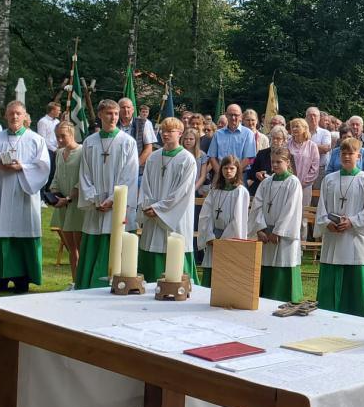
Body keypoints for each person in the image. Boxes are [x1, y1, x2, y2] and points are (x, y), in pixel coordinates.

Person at [0, 100, 50, 293]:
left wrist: (21, 167)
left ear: (25, 116)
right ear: (5, 116)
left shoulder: (35, 140)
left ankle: (23, 279)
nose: (14, 117)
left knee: (22, 232)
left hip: (22, 194)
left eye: (18, 113)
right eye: (11, 113)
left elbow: (44, 168)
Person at [75, 100, 140, 289]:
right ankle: (88, 284)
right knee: (94, 239)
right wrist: (94, 199)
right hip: (95, 206)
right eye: (109, 113)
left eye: (116, 114)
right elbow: (84, 173)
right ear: (100, 115)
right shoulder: (89, 142)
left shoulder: (127, 142)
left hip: (116, 207)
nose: (113, 118)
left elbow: (130, 175)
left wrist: (113, 200)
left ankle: (116, 282)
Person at [315, 137, 364, 316]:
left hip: (354, 240)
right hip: (333, 238)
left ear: (359, 156)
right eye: (343, 153)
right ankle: (326, 314)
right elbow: (322, 207)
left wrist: (352, 221)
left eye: (350, 153)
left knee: (354, 286)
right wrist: (327, 223)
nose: (347, 157)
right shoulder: (329, 180)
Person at [137, 117, 199, 283]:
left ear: (179, 133)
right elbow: (145, 184)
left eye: (170, 131)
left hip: (175, 217)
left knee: (174, 252)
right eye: (163, 131)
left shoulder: (187, 159)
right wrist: (147, 206)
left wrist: (158, 208)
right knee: (151, 246)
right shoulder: (154, 157)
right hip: (152, 214)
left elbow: (182, 191)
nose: (165, 134)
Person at [250, 147, 304, 301]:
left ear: (287, 162)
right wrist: (260, 229)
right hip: (266, 233)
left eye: (279, 162)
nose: (274, 165)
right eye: (272, 162)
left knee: (283, 263)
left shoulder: (293, 182)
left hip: (282, 236)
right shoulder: (266, 182)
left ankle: (286, 298)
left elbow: (291, 209)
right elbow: (257, 206)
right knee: (265, 264)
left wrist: (278, 231)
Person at [199, 156, 249, 288]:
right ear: (220, 170)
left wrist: (223, 240)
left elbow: (238, 220)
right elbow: (206, 215)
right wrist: (210, 236)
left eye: (232, 168)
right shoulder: (214, 191)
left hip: (229, 239)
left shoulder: (240, 192)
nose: (228, 171)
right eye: (225, 168)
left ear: (237, 170)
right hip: (213, 238)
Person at [49, 122, 85, 286]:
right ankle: (74, 281)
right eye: (57, 136)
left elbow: (82, 179)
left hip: (76, 205)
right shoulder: (59, 153)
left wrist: (70, 197)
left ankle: (82, 281)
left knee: (79, 247)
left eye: (63, 136)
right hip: (62, 204)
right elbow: (56, 175)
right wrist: (55, 194)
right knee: (71, 249)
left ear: (72, 134)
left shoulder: (83, 151)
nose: (60, 140)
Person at [208, 104, 257, 178]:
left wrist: (233, 174)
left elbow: (248, 158)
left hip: (240, 175)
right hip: (219, 176)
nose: (233, 118)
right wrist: (221, 174)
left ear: (241, 116)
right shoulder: (218, 134)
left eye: (236, 115)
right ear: (226, 115)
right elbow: (212, 157)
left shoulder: (248, 134)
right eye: (230, 115)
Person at [247, 124, 289, 195]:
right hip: (262, 188)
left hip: (281, 189)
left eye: (278, 138)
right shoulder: (262, 153)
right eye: (273, 138)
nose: (275, 141)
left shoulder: (288, 155)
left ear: (284, 140)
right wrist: (257, 174)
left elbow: (291, 173)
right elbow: (251, 173)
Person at [36, 102, 61, 190]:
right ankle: (44, 192)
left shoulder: (58, 122)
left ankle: (51, 190)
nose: (59, 112)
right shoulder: (43, 122)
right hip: (48, 150)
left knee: (55, 171)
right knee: (48, 171)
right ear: (52, 110)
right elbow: (42, 139)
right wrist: (54, 149)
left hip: (57, 149)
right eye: (58, 110)